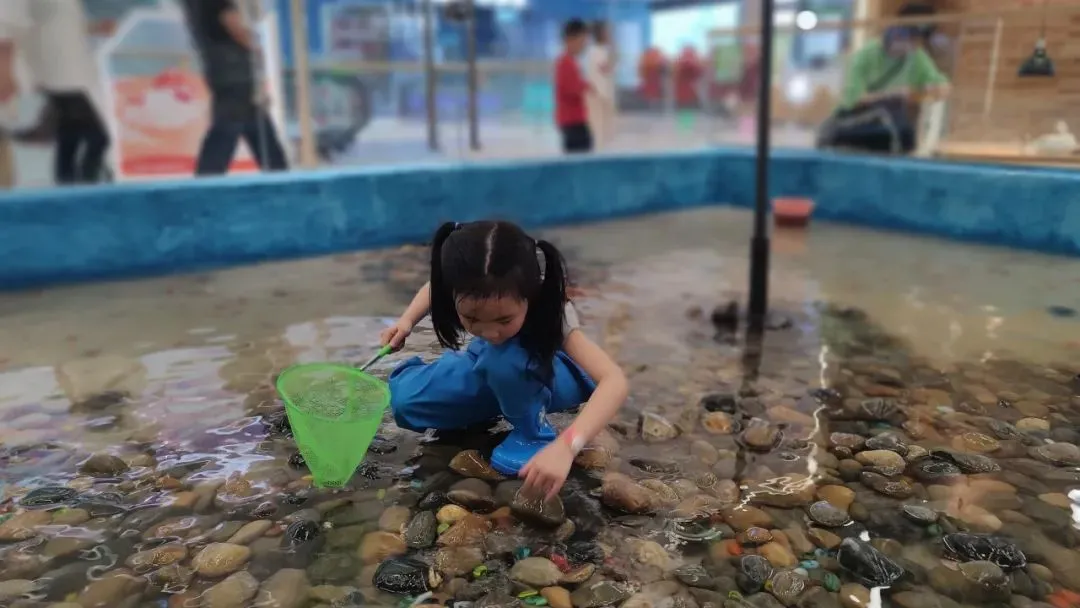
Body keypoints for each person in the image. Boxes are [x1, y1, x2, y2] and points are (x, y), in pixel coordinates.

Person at [380, 221, 629, 497]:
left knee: (503, 359)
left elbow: (614, 380)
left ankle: (533, 434)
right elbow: (433, 287)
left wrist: (567, 446)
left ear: (530, 296)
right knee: (406, 401)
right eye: (472, 318)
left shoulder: (551, 309)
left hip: (552, 373)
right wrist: (406, 321)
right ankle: (487, 406)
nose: (490, 332)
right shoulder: (463, 288)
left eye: (504, 320)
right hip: (492, 364)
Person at [0, 0, 110, 185]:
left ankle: (72, 187)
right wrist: (3, 67)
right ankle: (85, 185)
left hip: (65, 70)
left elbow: (57, 16)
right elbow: (6, 17)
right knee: (97, 134)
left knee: (72, 133)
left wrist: (94, 27)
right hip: (57, 71)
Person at [818, 2, 949, 154]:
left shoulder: (916, 57)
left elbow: (941, 85)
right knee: (888, 123)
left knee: (904, 134)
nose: (915, 45)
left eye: (918, 41)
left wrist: (933, 89)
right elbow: (854, 100)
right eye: (912, 38)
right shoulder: (866, 55)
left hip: (890, 127)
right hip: (855, 123)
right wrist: (891, 94)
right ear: (898, 32)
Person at [179, 0, 288, 175]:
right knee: (230, 129)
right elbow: (233, 25)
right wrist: (255, 45)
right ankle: (207, 181)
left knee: (253, 128)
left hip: (221, 70)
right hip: (235, 71)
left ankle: (278, 175)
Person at [554, 19, 593, 154]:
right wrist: (584, 87)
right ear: (570, 40)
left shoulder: (571, 62)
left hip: (575, 119)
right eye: (582, 42)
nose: (583, 46)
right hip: (572, 120)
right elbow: (571, 90)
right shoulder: (565, 63)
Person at [584, 21, 616, 150]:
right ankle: (597, 148)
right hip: (596, 94)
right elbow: (605, 68)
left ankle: (603, 147)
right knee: (597, 125)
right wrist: (613, 55)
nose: (609, 34)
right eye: (607, 32)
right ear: (601, 34)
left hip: (604, 93)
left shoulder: (602, 50)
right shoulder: (595, 51)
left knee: (606, 125)